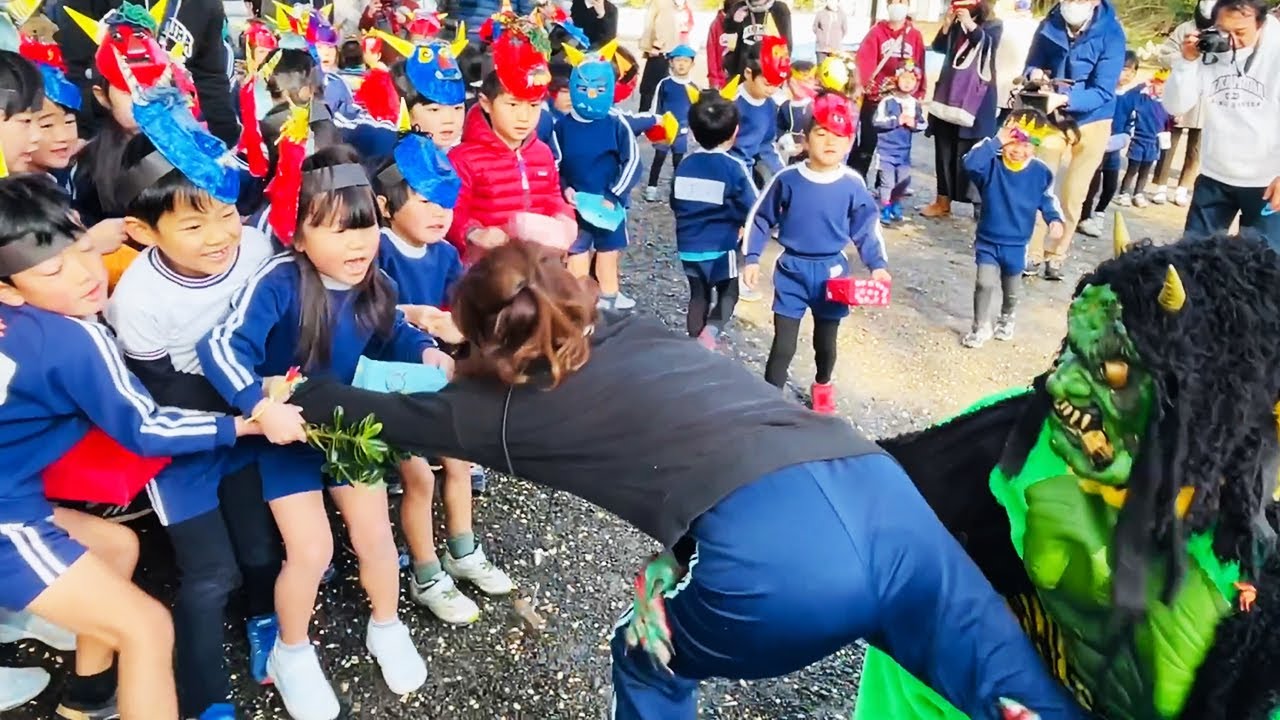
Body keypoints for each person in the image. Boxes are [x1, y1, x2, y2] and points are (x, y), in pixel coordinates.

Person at [278, 239, 1089, 720]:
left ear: (487, 348)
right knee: (1014, 694)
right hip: (875, 491)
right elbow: (582, 363)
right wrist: (463, 335)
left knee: (644, 655)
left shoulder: (488, 420)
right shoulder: (625, 322)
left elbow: (371, 411)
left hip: (779, 572)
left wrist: (287, 396)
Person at [854, 233, 1280, 720]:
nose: (1061, 381)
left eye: (1115, 372)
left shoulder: (1249, 581)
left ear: (1209, 410)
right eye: (1072, 350)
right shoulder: (1011, 438)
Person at [0, 173, 262, 720]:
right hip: (8, 519)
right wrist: (242, 425)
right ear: (9, 287)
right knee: (147, 627)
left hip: (18, 498)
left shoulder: (17, 319)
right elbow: (145, 428)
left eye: (81, 251)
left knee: (117, 547)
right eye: (53, 269)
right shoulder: (75, 337)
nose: (84, 276)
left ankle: (88, 698)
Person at [198, 147, 439, 719]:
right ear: (298, 236)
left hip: (348, 428)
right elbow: (221, 348)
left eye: (366, 227)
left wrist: (426, 352)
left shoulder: (370, 280)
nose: (357, 244)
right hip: (287, 433)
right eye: (336, 230)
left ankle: (386, 623)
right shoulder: (279, 281)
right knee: (311, 550)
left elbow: (393, 332)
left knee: (377, 537)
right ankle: (292, 650)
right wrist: (259, 404)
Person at [105, 115, 282, 717]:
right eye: (193, 223)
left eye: (227, 213)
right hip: (183, 440)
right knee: (211, 575)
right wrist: (250, 405)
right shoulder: (137, 300)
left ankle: (266, 622)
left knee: (262, 551)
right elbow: (158, 385)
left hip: (252, 421)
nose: (220, 235)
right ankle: (206, 695)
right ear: (141, 230)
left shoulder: (257, 249)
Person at [371, 135, 516, 624]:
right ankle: (426, 571)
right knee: (417, 479)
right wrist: (418, 319)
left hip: (440, 376)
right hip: (395, 383)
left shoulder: (445, 254)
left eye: (446, 201)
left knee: (459, 463)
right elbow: (370, 314)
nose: (440, 213)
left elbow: (462, 306)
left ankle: (462, 548)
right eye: (425, 200)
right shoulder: (377, 252)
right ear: (385, 205)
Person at [742, 92, 890, 414]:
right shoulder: (787, 178)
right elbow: (761, 216)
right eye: (821, 133)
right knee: (784, 344)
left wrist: (877, 265)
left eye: (839, 135)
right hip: (792, 271)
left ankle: (822, 385)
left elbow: (867, 226)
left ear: (850, 142)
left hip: (832, 274)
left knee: (825, 341)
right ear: (805, 139)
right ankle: (770, 399)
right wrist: (751, 257)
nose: (830, 142)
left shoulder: (852, 183)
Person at [446, 28, 575, 261]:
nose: (524, 117)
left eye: (533, 106)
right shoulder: (463, 158)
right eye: (513, 105)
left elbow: (552, 197)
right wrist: (473, 232)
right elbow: (452, 212)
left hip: (536, 262)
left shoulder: (543, 153)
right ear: (486, 102)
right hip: (486, 268)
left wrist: (564, 216)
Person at [1021, 0, 1126, 281]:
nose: (1072, 4)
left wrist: (1067, 98)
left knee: (1074, 193)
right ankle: (1030, 252)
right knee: (1040, 181)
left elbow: (1104, 91)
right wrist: (1035, 74)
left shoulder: (1112, 33)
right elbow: (1033, 60)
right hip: (1051, 114)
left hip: (1094, 118)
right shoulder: (1050, 22)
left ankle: (1056, 255)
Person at [1163, 0, 1280, 247]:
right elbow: (1175, 106)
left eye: (1240, 33)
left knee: (1260, 266)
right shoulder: (1211, 47)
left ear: (1261, 24)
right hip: (1214, 175)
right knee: (1193, 260)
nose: (1231, 40)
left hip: (1266, 181)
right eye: (1224, 30)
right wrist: (1187, 62)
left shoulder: (1276, 52)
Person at [60, 0, 240, 147]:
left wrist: (225, 140)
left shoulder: (204, 5)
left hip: (182, 142)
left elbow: (210, 76)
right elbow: (77, 75)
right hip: (111, 145)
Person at [960, 115, 1063, 348]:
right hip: (987, 239)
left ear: (1035, 148)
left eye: (1026, 145)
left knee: (1011, 287)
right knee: (984, 283)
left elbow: (1047, 199)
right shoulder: (990, 164)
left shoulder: (1040, 172)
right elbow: (969, 163)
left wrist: (1054, 219)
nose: (1018, 150)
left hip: (1017, 244)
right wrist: (996, 141)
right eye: (1013, 143)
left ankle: (1007, 316)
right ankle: (979, 326)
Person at [670, 93, 756, 349]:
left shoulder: (685, 164)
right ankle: (709, 335)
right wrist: (743, 226)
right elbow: (754, 206)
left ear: (694, 133)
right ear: (735, 132)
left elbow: (675, 201)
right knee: (729, 293)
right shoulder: (733, 166)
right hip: (721, 246)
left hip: (688, 245)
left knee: (698, 296)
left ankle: (694, 341)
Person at [920, 0, 1003, 219]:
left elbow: (987, 45)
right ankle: (942, 200)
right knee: (945, 148)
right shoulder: (957, 23)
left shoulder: (993, 24)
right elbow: (939, 47)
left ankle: (979, 205)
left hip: (976, 100)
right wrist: (947, 24)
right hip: (949, 94)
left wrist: (970, 24)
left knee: (975, 152)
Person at [850, 0, 925, 178]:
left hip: (901, 99)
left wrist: (920, 90)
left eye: (902, 1)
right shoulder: (876, 32)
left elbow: (920, 63)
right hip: (875, 97)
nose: (898, 5)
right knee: (869, 140)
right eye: (894, 1)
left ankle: (885, 183)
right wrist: (859, 84)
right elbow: (864, 60)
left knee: (894, 144)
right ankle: (857, 178)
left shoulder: (914, 35)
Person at [1150, 0, 1212, 207]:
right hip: (1182, 87)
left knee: (1196, 148)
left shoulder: (1223, 31)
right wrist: (1188, 56)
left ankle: (1183, 188)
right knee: (1170, 141)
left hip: (1207, 97)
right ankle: (1160, 185)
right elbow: (1165, 54)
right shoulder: (1185, 28)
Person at [1076, 50, 1138, 238]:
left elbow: (1131, 124)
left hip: (1113, 148)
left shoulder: (1131, 97)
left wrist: (1123, 138)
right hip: (1096, 144)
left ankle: (1100, 212)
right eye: (1124, 69)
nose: (1127, 75)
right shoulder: (1103, 92)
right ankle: (1084, 217)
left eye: (1132, 71)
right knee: (1092, 182)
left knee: (1111, 185)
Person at [872, 64, 927, 224]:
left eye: (912, 79)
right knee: (887, 182)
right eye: (904, 78)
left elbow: (923, 124)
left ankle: (896, 205)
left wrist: (913, 124)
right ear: (897, 79)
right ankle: (885, 209)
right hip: (886, 150)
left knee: (902, 182)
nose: (908, 83)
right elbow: (877, 121)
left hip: (904, 152)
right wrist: (897, 121)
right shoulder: (887, 101)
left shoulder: (914, 103)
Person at [730, 39, 788, 183]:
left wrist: (782, 174)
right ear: (748, 73)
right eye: (767, 84)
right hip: (727, 170)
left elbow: (766, 144)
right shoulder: (731, 102)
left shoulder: (770, 105)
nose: (772, 90)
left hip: (748, 173)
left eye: (776, 85)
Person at [643, 44, 694, 202]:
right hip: (665, 128)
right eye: (678, 60)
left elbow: (696, 109)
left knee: (678, 161)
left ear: (692, 64)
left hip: (682, 130)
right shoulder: (665, 83)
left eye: (685, 61)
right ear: (671, 62)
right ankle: (652, 187)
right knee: (659, 158)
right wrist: (654, 124)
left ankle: (677, 191)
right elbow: (656, 104)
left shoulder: (693, 87)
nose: (681, 64)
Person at [1113, 69, 1169, 208]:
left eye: (1165, 85)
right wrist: (1141, 85)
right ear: (1153, 83)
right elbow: (1127, 97)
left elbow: (1169, 121)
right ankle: (1124, 192)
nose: (1162, 88)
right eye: (1159, 83)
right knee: (1133, 168)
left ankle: (1138, 193)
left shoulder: (1167, 104)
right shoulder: (1142, 98)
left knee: (1145, 170)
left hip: (1153, 142)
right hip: (1138, 139)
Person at [637, 0, 691, 111]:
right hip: (666, 51)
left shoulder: (662, 2)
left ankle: (647, 120)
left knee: (649, 90)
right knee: (660, 89)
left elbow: (662, 26)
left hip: (661, 52)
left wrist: (657, 46)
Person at [721, 0, 792, 80]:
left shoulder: (779, 9)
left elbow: (786, 45)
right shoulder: (737, 8)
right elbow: (728, 46)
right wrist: (735, 22)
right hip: (743, 76)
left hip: (770, 75)